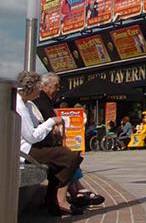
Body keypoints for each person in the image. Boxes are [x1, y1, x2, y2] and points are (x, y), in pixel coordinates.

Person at [31, 72, 105, 207]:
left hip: (42, 144)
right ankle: (65, 198)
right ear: (44, 86)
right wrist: (54, 125)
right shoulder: (41, 99)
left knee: (68, 155)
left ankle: (76, 190)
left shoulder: (44, 100)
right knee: (69, 157)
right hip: (37, 146)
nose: (58, 89)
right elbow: (44, 127)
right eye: (56, 86)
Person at [16, 71, 84, 216]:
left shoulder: (26, 103)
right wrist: (52, 121)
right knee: (70, 156)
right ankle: (59, 199)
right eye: (38, 87)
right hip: (26, 150)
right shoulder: (20, 106)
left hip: (30, 148)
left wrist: (49, 127)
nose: (40, 90)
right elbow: (32, 136)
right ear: (31, 88)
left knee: (62, 159)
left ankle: (54, 200)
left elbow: (35, 127)